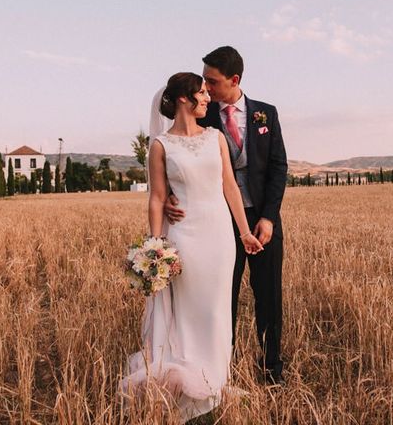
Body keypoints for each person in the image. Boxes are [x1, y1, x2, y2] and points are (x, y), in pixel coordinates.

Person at [121, 72, 263, 422]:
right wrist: (156, 248)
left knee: (217, 311)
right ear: (183, 99)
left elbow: (229, 185)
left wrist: (244, 232)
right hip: (184, 238)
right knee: (188, 313)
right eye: (201, 93)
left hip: (219, 237)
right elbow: (156, 199)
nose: (207, 98)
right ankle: (190, 387)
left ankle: (214, 383)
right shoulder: (160, 145)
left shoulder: (215, 137)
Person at [165, 46, 288, 385]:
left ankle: (272, 370)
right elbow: (175, 158)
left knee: (269, 297)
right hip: (219, 222)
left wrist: (268, 217)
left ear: (234, 80)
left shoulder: (267, 114)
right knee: (223, 297)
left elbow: (279, 168)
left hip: (262, 220)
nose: (205, 88)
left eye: (212, 81)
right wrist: (169, 196)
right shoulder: (201, 114)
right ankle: (223, 370)